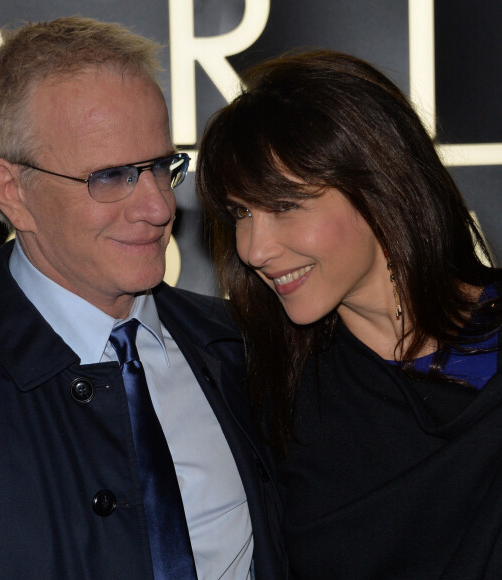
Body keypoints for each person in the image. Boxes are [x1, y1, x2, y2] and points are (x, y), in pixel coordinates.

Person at [0, 17, 287, 579]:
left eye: (162, 167)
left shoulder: (241, 348)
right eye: (112, 176)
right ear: (12, 192)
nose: (159, 208)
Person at [196, 49, 502, 579]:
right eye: (241, 213)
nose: (253, 249)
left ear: (378, 187)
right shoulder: (272, 397)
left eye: (284, 206)